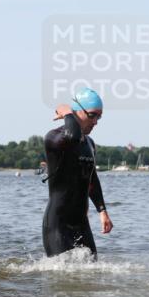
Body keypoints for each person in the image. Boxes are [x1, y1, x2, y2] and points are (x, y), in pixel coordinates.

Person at [43, 88, 112, 257]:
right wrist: (67, 113)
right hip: (58, 224)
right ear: (76, 111)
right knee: (60, 271)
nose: (95, 122)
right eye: (92, 115)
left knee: (92, 270)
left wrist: (102, 211)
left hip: (81, 223)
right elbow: (72, 136)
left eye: (99, 117)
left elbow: (91, 178)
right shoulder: (54, 138)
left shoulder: (90, 144)